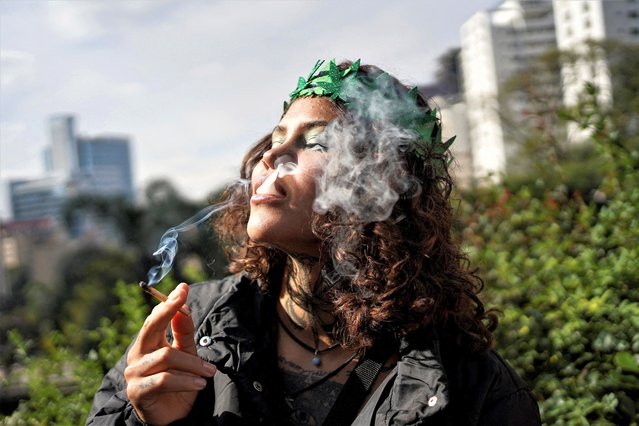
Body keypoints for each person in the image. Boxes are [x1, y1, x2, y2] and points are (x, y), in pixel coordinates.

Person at [87, 59, 541, 425]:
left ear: (379, 184)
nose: (270, 155)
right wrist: (151, 421)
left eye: (316, 142)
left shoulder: (468, 383)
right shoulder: (192, 329)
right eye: (277, 136)